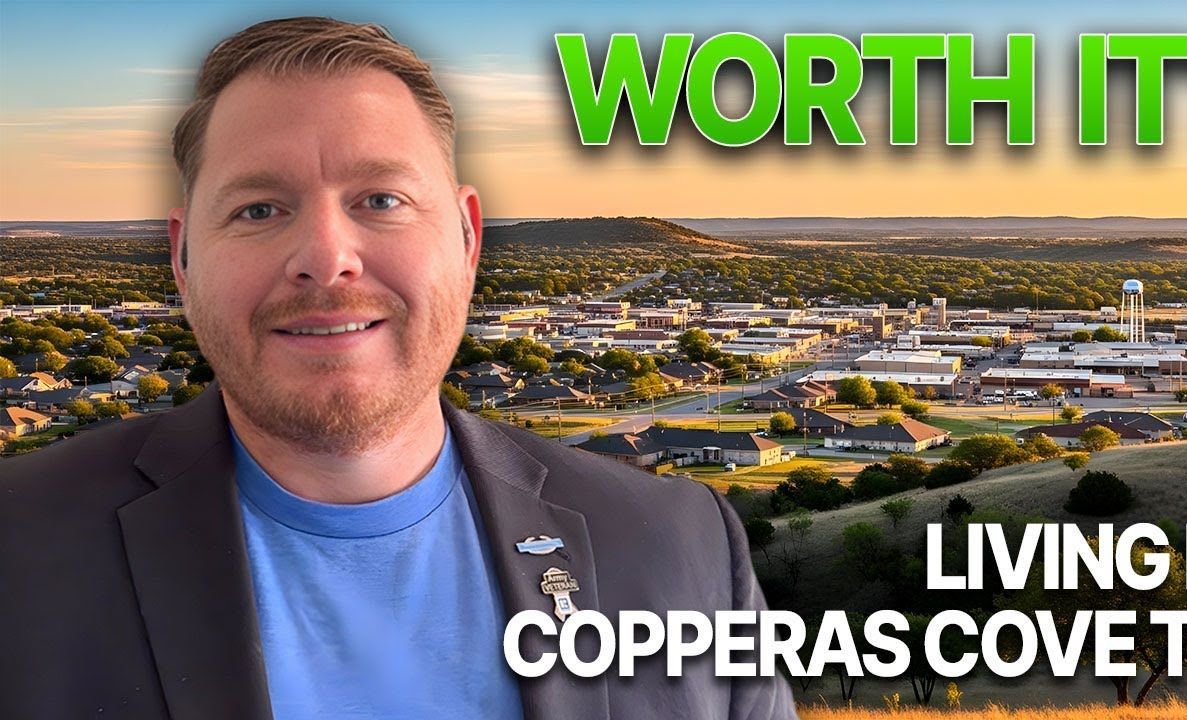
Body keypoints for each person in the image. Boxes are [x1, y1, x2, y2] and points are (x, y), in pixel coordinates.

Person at [0, 17, 796, 720]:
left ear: (467, 236)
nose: (324, 259)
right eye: (258, 209)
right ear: (181, 257)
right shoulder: (21, 549)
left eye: (380, 199)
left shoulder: (676, 543)